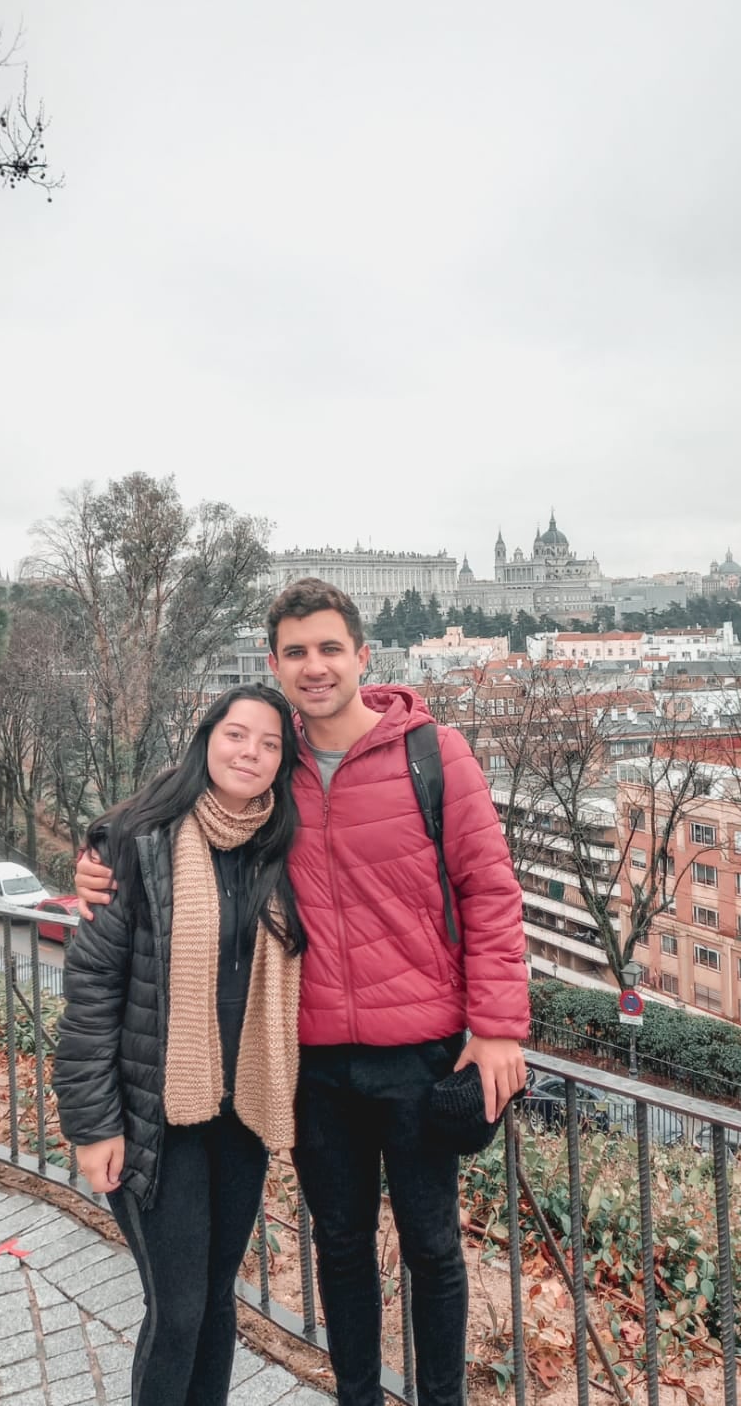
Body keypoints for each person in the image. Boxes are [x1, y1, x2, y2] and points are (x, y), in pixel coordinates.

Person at [77, 579, 530, 1406]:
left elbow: (490, 890)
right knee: (343, 1247)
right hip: (313, 1062)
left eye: (329, 648)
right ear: (275, 664)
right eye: (295, 652)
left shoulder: (436, 754)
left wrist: (498, 1026)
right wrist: (99, 852)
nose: (314, 666)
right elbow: (183, 806)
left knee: (433, 1248)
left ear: (364, 655)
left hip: (421, 1054)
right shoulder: (274, 769)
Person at [55, 684, 306, 1406]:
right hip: (153, 1120)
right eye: (236, 734)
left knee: (219, 1300)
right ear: (206, 738)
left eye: (267, 743)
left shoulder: (282, 847)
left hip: (239, 1116)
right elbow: (94, 988)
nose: (249, 752)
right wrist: (93, 1123)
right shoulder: (136, 841)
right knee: (179, 1309)